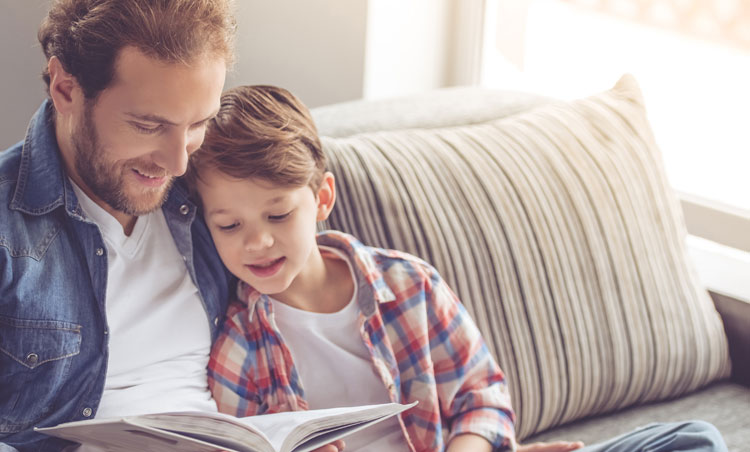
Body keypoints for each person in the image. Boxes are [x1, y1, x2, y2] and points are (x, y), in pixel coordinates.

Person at [188, 85, 730, 452]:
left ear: (322, 197)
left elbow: (483, 396)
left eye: (278, 213)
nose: (257, 241)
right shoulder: (239, 350)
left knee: (694, 439)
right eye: (229, 226)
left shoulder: (408, 286)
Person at [0, 2, 349, 452]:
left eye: (197, 124)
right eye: (148, 125)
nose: (178, 162)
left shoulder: (210, 194)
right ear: (66, 89)